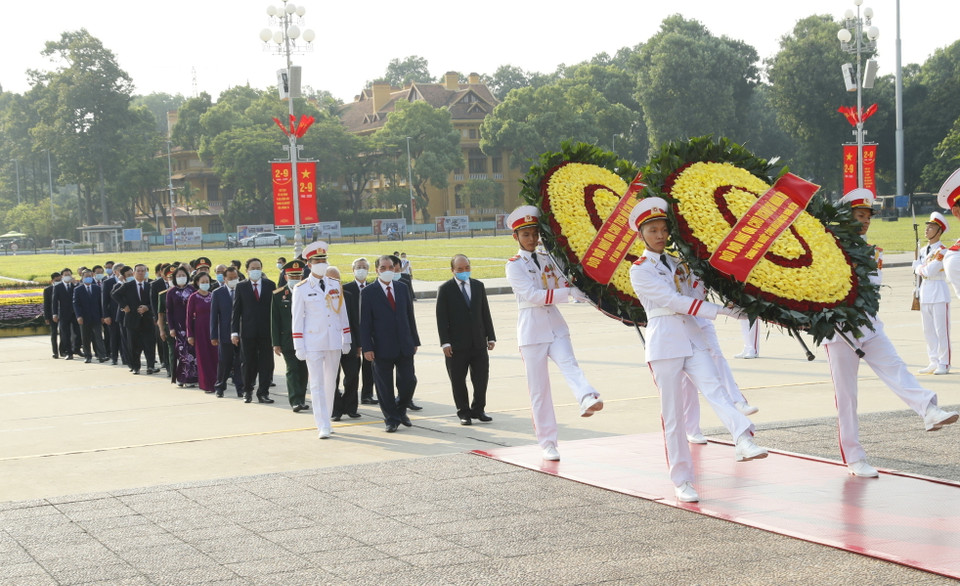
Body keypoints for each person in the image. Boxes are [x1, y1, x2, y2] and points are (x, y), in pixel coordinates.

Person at [627, 197, 768, 503]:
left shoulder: (679, 263)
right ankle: (682, 479)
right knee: (674, 415)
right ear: (641, 235)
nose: (660, 235)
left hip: (691, 335)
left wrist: (727, 292)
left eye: (664, 229)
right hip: (665, 342)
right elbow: (673, 301)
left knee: (715, 389)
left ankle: (742, 439)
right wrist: (721, 311)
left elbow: (694, 291)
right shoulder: (639, 270)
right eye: (652, 230)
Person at [824, 188, 958, 478]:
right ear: (847, 217)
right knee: (847, 397)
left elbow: (873, 284)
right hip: (839, 333)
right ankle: (854, 458)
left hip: (869, 326)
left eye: (868, 218)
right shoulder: (829, 248)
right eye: (859, 216)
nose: (865, 222)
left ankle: (928, 410)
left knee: (896, 367)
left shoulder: (872, 250)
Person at [504, 206, 603, 461]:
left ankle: (586, 397)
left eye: (535, 233)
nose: (532, 239)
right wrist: (567, 293)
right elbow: (534, 296)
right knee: (539, 390)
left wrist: (581, 291)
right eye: (525, 234)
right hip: (532, 330)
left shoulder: (549, 258)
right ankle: (548, 442)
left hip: (555, 325)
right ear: (516, 237)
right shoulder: (513, 266)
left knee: (570, 364)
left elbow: (565, 283)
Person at [292, 243, 352, 438]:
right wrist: (298, 345)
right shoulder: (301, 289)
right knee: (317, 384)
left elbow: (342, 313)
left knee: (330, 383)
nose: (321, 264)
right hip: (313, 341)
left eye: (324, 260)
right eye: (317, 261)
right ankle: (322, 424)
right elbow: (297, 319)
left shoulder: (335, 284)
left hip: (333, 339)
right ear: (309, 264)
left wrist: (346, 338)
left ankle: (328, 418)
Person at [360, 254, 420, 433]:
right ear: (377, 270)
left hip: (404, 344)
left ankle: (401, 410)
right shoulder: (369, 292)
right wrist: (367, 347)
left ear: (395, 269)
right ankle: (391, 419)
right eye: (383, 268)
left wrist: (415, 340)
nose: (387, 271)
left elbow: (410, 316)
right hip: (381, 347)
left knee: (409, 381)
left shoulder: (402, 288)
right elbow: (365, 323)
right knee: (384, 386)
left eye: (390, 268)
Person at [436, 254, 497, 425]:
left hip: (478, 343)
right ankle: (463, 412)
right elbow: (442, 319)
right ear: (453, 270)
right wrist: (445, 343)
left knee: (481, 379)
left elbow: (485, 312)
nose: (464, 272)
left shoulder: (478, 286)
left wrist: (491, 336)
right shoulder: (445, 289)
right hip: (456, 346)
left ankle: (479, 410)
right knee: (458, 380)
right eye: (460, 269)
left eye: (467, 268)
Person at [231, 258, 276, 403]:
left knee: (266, 363)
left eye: (258, 267)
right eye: (252, 268)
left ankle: (263, 392)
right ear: (247, 270)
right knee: (248, 363)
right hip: (247, 332)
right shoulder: (241, 287)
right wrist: (234, 332)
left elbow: (274, 311)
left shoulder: (270, 285)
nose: (255, 270)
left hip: (266, 332)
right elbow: (236, 311)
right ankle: (247, 391)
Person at [913, 212, 951, 375]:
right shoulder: (923, 250)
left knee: (941, 330)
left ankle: (944, 362)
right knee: (928, 330)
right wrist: (919, 269)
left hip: (939, 292)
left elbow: (928, 270)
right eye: (927, 227)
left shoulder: (942, 251)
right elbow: (921, 271)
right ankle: (933, 360)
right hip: (925, 292)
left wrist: (917, 267)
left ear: (939, 231)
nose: (927, 230)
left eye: (931, 228)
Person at [272, 260, 310, 412]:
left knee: (303, 370)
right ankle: (294, 400)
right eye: (291, 276)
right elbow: (274, 320)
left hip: (306, 338)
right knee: (292, 369)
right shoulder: (278, 295)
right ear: (286, 277)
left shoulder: (308, 291)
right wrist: (276, 343)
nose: (295, 279)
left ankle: (301, 398)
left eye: (298, 276)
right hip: (287, 339)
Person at [111, 263, 159, 375]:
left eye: (143, 271)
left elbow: (155, 301)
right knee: (133, 345)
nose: (141, 273)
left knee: (149, 344)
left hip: (147, 320)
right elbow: (114, 295)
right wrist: (124, 306)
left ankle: (150, 366)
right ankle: (135, 366)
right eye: (138, 271)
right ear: (134, 273)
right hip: (132, 320)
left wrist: (148, 307)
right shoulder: (128, 285)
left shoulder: (150, 285)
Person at [342, 257, 377, 406]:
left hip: (370, 333)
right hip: (353, 333)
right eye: (358, 267)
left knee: (369, 366)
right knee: (353, 368)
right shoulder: (346, 289)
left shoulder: (373, 288)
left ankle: (367, 394)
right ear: (353, 270)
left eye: (364, 267)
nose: (361, 269)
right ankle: (351, 398)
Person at [210, 266, 244, 398]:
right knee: (225, 362)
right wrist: (213, 335)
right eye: (230, 278)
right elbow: (214, 316)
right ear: (224, 279)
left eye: (235, 278)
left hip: (241, 333)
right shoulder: (218, 293)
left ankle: (240, 388)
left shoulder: (243, 290)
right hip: (224, 334)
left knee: (240, 362)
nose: (233, 280)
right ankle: (220, 386)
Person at [166, 266, 198, 387]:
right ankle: (182, 377)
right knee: (182, 352)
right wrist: (171, 328)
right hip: (178, 327)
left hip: (192, 325)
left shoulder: (192, 289)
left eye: (183, 275)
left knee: (192, 352)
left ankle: (192, 378)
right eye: (178, 276)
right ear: (174, 278)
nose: (181, 278)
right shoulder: (171, 292)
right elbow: (169, 311)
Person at [186, 272, 218, 393]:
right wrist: (190, 335)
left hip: (213, 329)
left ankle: (216, 382)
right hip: (200, 330)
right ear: (197, 283)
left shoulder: (213, 295)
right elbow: (189, 317)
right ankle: (206, 384)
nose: (205, 284)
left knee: (214, 356)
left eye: (207, 282)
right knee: (203, 357)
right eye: (202, 282)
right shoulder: (193, 297)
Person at [72, 268, 107, 363]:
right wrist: (78, 316)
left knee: (98, 337)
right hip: (84, 318)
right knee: (86, 338)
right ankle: (88, 356)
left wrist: (102, 316)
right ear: (82, 277)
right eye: (86, 276)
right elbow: (76, 304)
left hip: (96, 317)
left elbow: (101, 303)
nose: (88, 278)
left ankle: (101, 355)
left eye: (90, 276)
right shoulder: (78, 289)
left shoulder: (97, 288)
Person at [51, 267, 82, 359]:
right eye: (65, 275)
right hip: (64, 314)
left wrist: (75, 284)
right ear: (62, 276)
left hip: (75, 313)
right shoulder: (58, 287)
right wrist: (55, 314)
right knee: (65, 334)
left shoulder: (76, 286)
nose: (67, 276)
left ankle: (77, 349)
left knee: (78, 333)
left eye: (69, 275)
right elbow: (55, 302)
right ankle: (69, 352)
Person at [43, 272, 61, 359]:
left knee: (64, 334)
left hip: (63, 314)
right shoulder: (48, 290)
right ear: (52, 280)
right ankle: (55, 352)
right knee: (54, 334)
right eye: (56, 280)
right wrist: (46, 317)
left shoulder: (63, 288)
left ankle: (63, 351)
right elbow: (46, 304)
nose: (58, 281)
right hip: (52, 315)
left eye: (60, 280)